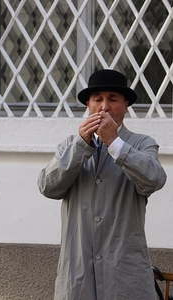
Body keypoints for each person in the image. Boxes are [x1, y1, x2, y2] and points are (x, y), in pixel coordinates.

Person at [38, 69, 166, 300]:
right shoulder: (70, 145)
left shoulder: (143, 144)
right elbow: (48, 186)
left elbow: (155, 178)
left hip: (125, 279)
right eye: (97, 99)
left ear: (126, 105)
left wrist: (115, 143)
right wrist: (80, 146)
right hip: (78, 278)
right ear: (88, 105)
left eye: (113, 99)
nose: (104, 107)